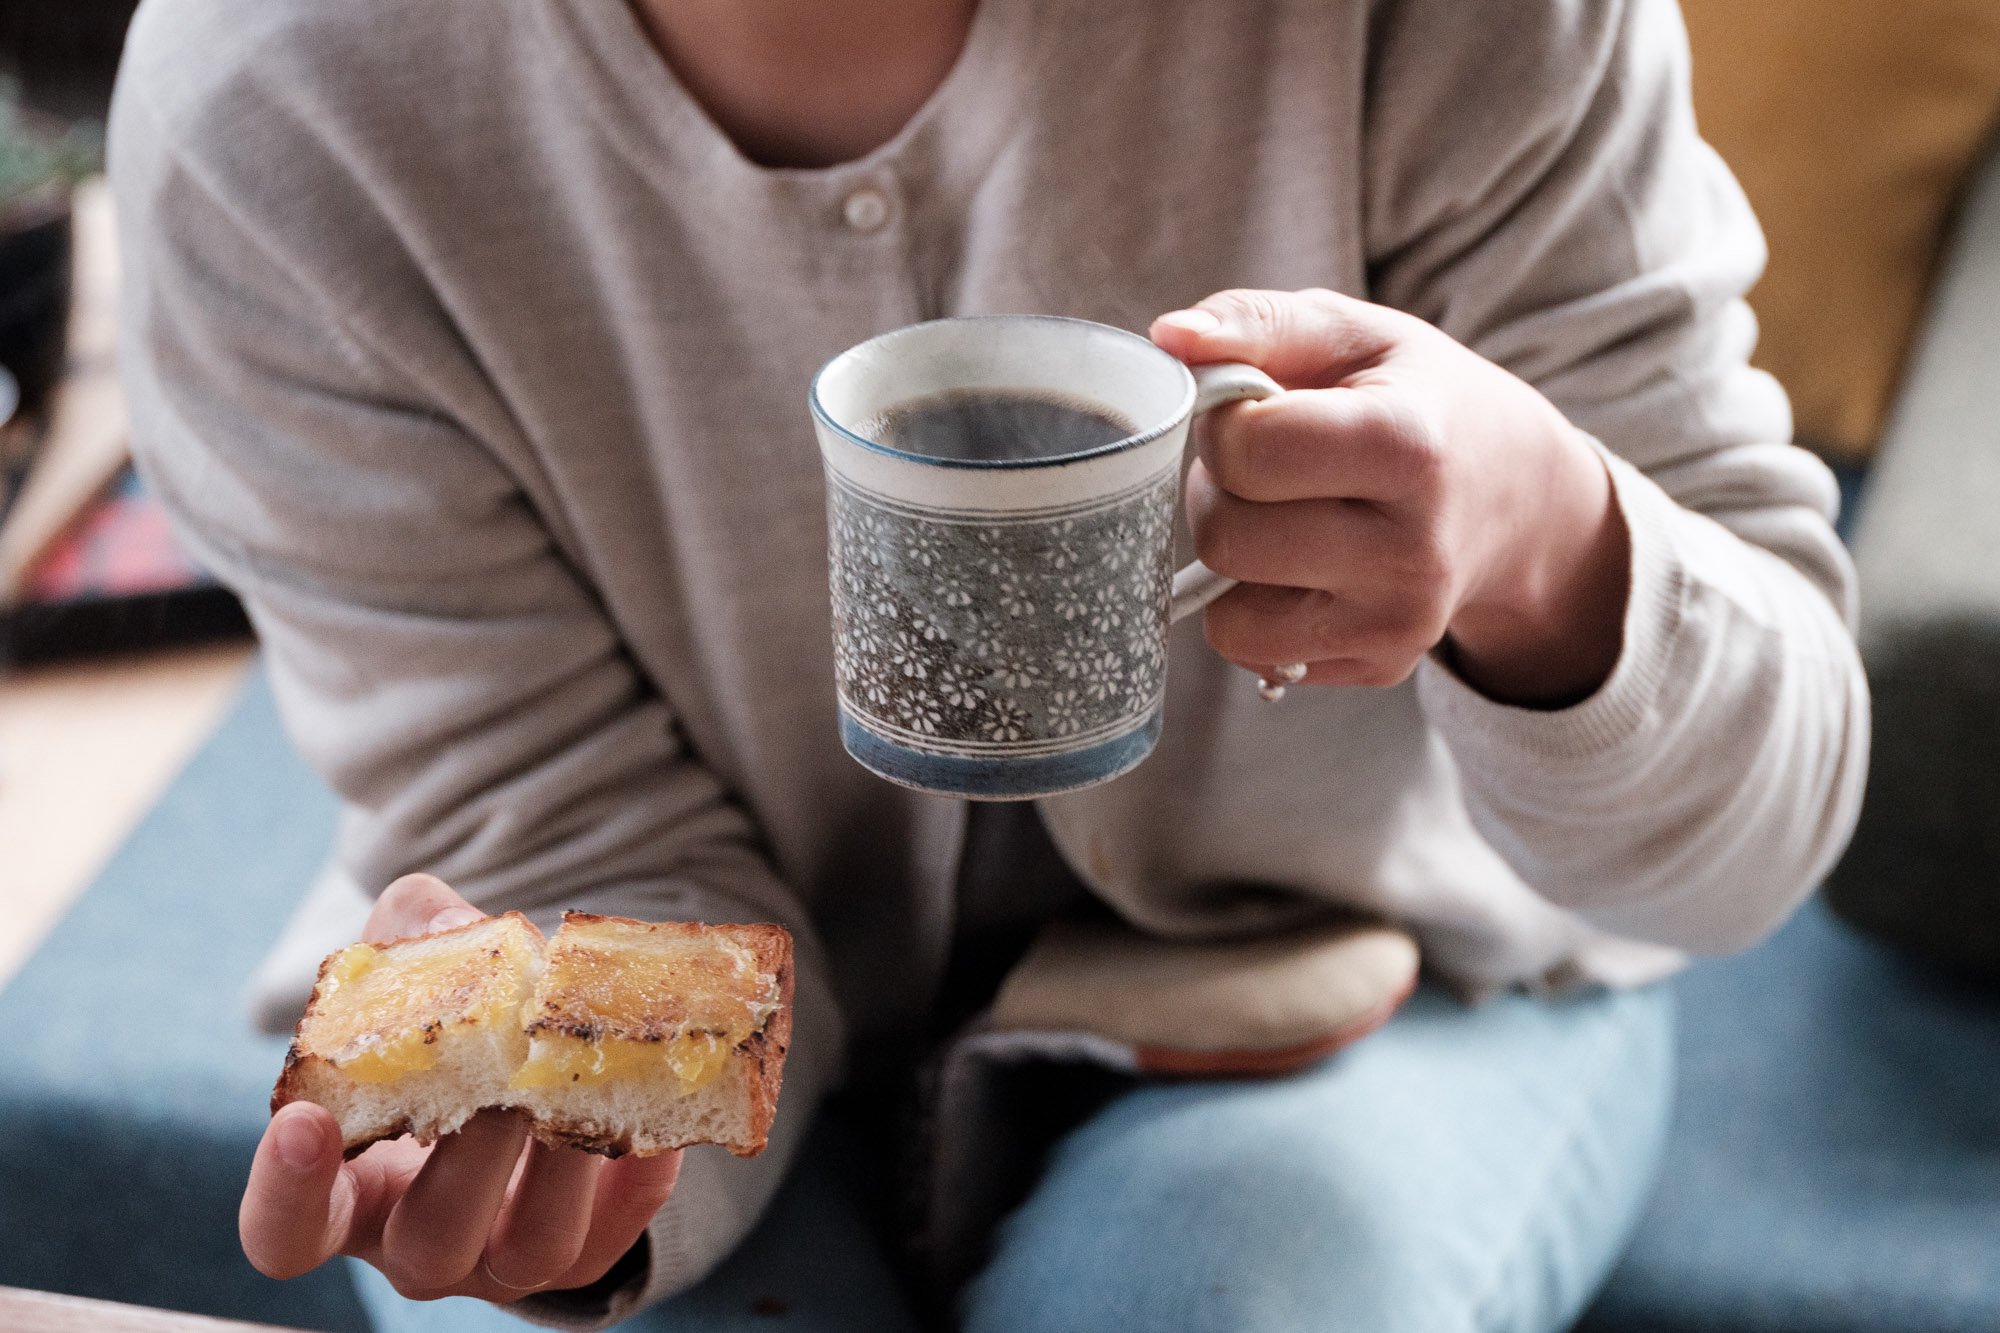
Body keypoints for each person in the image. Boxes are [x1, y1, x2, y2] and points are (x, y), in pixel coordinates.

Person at [109, 0, 1869, 1328]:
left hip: (1399, 990)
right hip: (663, 962)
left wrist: (1545, 539)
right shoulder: (278, 113)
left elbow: (1764, 830)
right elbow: (556, 817)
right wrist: (580, 1131)